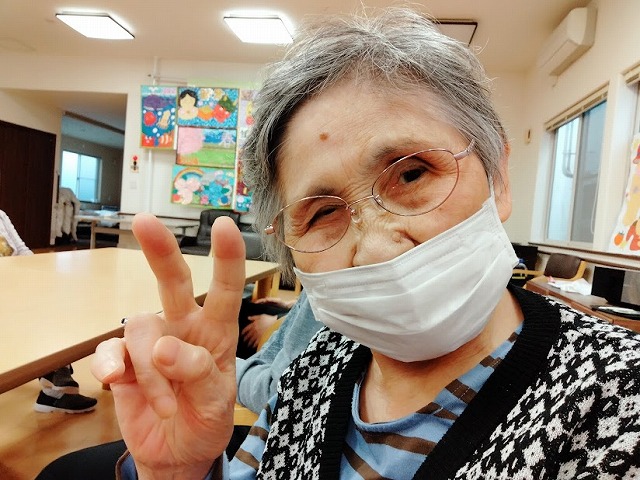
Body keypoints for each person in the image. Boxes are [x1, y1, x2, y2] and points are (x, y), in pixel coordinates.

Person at [92, 7, 640, 479]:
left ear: (497, 177)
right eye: (323, 212)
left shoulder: (619, 404)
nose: (377, 249)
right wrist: (181, 471)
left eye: (412, 175)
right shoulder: (319, 363)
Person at [35, 291, 320, 479]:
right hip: (267, 435)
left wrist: (211, 367)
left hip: (267, 425)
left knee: (60, 473)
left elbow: (281, 391)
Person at [0, 209, 98, 413]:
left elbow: (22, 251)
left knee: (54, 305)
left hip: (12, 289)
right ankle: (56, 388)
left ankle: (56, 388)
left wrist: (43, 276)